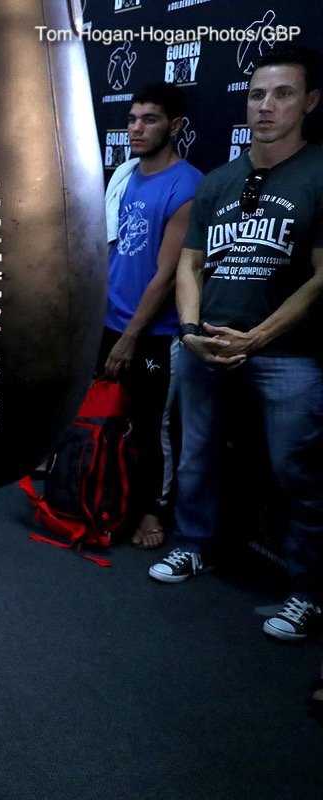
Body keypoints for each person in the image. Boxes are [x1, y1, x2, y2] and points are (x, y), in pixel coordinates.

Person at [148, 45, 323, 643]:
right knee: (197, 454)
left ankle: (307, 591)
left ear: (310, 102)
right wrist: (192, 333)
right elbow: (190, 264)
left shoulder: (319, 173)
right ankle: (195, 545)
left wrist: (260, 335)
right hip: (205, 347)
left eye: (283, 94)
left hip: (289, 355)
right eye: (256, 95)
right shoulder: (220, 180)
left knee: (295, 472)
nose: (266, 106)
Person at [98, 83, 203, 550]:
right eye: (133, 118)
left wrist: (130, 337)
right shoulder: (124, 173)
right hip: (110, 318)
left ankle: (149, 512)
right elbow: (115, 248)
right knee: (107, 416)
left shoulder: (187, 185)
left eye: (150, 119)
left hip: (153, 333)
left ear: (175, 126)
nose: (136, 128)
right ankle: (108, 496)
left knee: (149, 427)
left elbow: (166, 274)